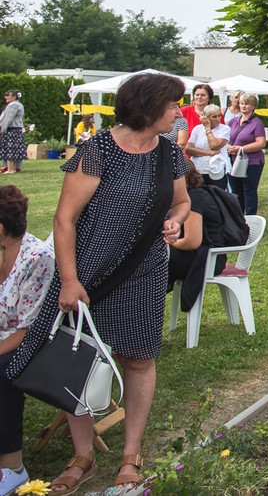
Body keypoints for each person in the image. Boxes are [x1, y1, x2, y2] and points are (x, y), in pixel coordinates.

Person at [7, 72, 191, 495]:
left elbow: (182, 202)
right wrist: (69, 280)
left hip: (143, 273)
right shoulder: (97, 150)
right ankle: (83, 455)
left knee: (139, 359)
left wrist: (175, 223)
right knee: (80, 358)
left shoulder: (169, 154)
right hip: (87, 275)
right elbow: (63, 219)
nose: (177, 112)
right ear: (147, 107)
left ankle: (131, 453)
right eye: (171, 105)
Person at [0, 184, 55, 496]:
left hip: (36, 341)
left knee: (2, 370)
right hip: (6, 336)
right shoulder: (2, 250)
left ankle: (12, 467)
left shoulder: (36, 258)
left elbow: (26, 330)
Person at [166, 166, 249, 312]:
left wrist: (168, 242)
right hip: (209, 257)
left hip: (207, 260)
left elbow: (192, 242)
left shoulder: (193, 198)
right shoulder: (202, 193)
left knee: (153, 260)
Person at [226, 93, 267, 215]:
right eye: (242, 103)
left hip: (251, 162)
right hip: (233, 160)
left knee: (249, 191)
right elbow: (227, 137)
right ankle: (238, 217)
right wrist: (228, 147)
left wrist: (241, 149)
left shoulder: (257, 123)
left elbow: (261, 143)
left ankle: (250, 217)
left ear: (253, 106)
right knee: (236, 190)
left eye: (247, 104)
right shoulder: (233, 121)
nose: (244, 106)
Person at [185, 103, 230, 184]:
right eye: (214, 117)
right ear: (206, 117)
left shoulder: (225, 129)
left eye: (219, 116)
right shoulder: (197, 129)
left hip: (217, 169)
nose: (217, 119)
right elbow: (188, 149)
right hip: (198, 169)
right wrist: (209, 153)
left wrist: (207, 128)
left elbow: (214, 145)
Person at [179, 84, 214, 153]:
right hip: (185, 154)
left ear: (209, 98)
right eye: (197, 95)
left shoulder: (215, 113)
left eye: (203, 95)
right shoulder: (183, 111)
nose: (199, 97)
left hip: (209, 154)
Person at [0, 91, 23, 174]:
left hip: (12, 129)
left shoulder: (13, 105)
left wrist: (2, 129)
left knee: (10, 149)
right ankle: (13, 168)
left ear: (14, 97)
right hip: (16, 129)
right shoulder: (18, 104)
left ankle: (10, 169)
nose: (6, 97)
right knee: (14, 149)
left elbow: (8, 118)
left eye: (8, 96)